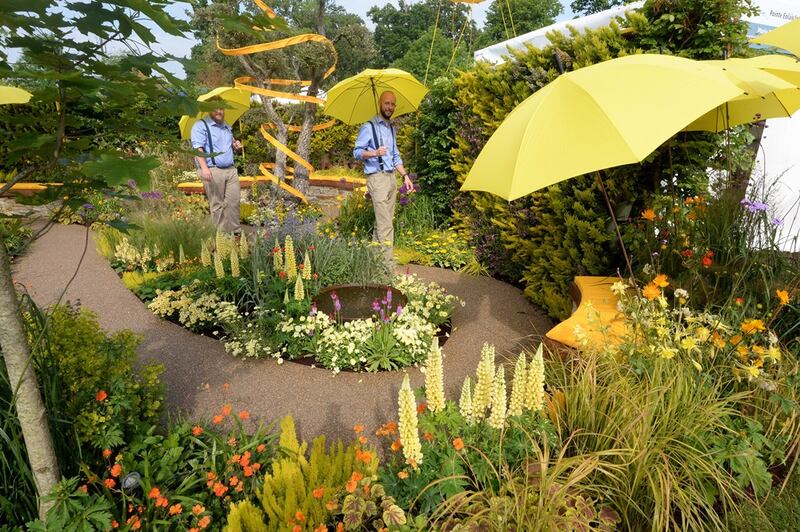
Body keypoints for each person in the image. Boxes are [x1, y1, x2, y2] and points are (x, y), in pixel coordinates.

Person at [353, 90, 416, 266]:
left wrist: (405, 176)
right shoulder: (368, 127)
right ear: (380, 103)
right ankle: (387, 267)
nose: (390, 107)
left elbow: (396, 156)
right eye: (387, 103)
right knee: (386, 225)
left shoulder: (391, 129)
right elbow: (356, 152)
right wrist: (374, 152)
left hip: (391, 179)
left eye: (393, 104)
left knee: (382, 223)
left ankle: (374, 263)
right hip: (377, 178)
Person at [190, 99, 243, 234]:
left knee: (233, 202)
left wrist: (235, 145)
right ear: (209, 109)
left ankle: (235, 233)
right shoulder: (200, 126)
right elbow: (198, 149)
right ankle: (221, 237)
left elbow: (229, 143)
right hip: (213, 170)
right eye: (215, 108)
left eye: (221, 108)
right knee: (217, 205)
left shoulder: (227, 126)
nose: (219, 111)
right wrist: (204, 169)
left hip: (230, 170)